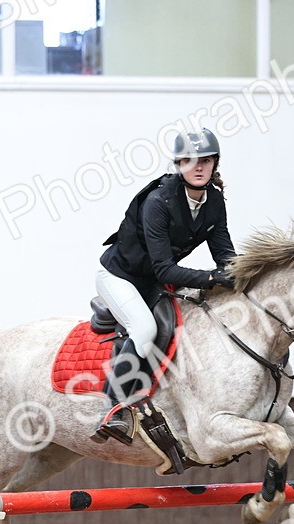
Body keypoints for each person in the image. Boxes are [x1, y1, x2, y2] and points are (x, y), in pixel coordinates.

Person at [92, 128, 237, 445]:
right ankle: (112, 407)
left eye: (205, 160)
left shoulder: (214, 202)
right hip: (120, 276)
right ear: (179, 164)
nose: (198, 167)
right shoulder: (159, 201)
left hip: (155, 280)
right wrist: (212, 279)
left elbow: (225, 255)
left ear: (215, 163)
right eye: (189, 160)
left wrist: (241, 276)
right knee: (144, 328)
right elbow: (164, 267)